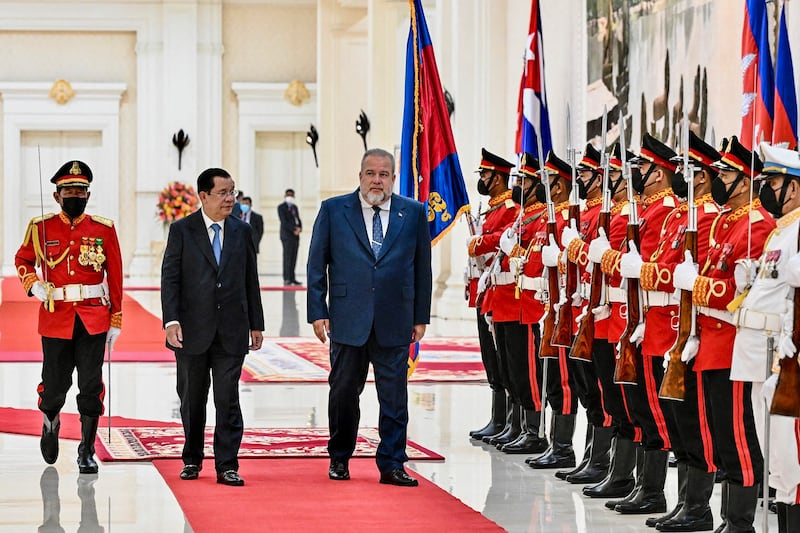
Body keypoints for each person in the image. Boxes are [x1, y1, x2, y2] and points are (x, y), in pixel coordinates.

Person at [306, 148, 432, 487]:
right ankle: (340, 457)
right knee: (344, 392)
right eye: (370, 173)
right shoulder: (334, 210)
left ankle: (392, 463)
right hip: (348, 318)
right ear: (360, 176)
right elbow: (317, 264)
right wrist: (318, 311)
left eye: (384, 174)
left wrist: (421, 316)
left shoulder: (414, 213)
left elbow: (423, 268)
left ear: (393, 178)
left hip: (396, 318)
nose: (377, 180)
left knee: (395, 397)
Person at [15, 160, 123, 475]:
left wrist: (116, 318)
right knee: (54, 386)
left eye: (80, 190)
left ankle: (86, 449)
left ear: (88, 194)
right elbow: (23, 258)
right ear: (56, 195)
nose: (75, 195)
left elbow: (114, 275)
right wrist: (32, 284)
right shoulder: (40, 226)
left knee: (91, 384)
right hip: (55, 317)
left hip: (93, 318)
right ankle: (50, 421)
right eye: (69, 191)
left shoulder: (103, 228)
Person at [161, 167, 264, 487]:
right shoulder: (182, 230)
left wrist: (256, 324)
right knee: (192, 398)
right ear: (203, 196)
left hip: (232, 329)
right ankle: (192, 458)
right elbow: (171, 278)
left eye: (233, 192)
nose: (231, 198)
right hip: (191, 330)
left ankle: (227, 465)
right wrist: (171, 321)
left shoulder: (242, 231)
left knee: (228, 397)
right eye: (223, 193)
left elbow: (250, 279)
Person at [734, 143, 800, 533]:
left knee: (790, 456)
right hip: (762, 354)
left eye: (773, 182)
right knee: (774, 457)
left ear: (793, 187)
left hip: (785, 358)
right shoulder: (780, 233)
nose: (767, 190)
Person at [278, 188, 303, 285]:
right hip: (287, 236)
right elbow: (284, 222)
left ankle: (292, 278)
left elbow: (298, 219)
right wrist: (293, 229)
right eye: (288, 195)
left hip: (296, 236)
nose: (290, 197)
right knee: (287, 257)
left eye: (291, 195)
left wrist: (300, 228)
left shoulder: (294, 207)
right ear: (285, 196)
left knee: (294, 257)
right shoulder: (281, 207)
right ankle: (287, 278)